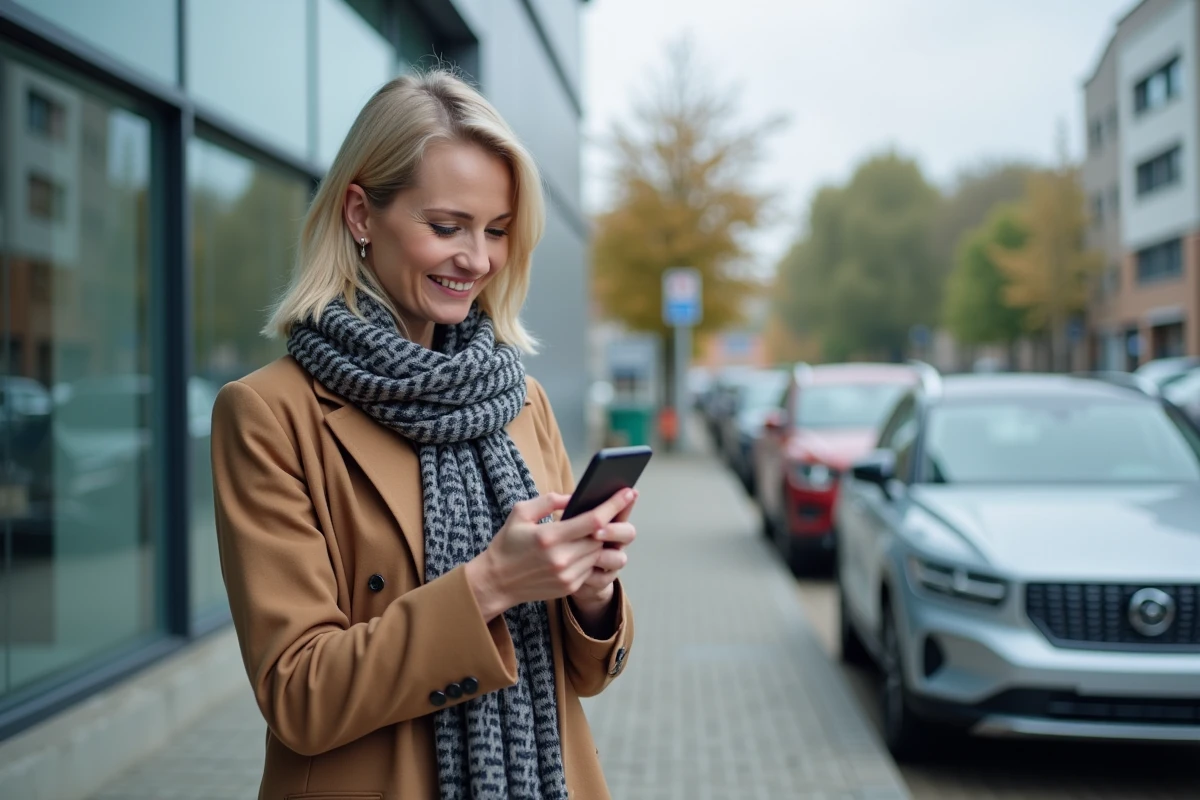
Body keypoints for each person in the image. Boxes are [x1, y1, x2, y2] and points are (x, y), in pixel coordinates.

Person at [209, 69, 636, 800]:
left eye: (497, 230)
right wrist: (491, 585)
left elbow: (586, 677)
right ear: (360, 214)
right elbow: (297, 693)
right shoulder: (268, 416)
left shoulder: (518, 398)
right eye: (447, 226)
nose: (477, 259)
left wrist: (590, 590)